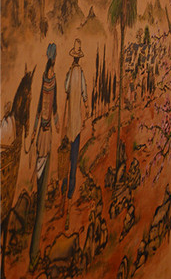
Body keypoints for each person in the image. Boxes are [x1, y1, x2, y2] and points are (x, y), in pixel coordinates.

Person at [29, 42, 59, 267]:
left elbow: (52, 105)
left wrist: (55, 122)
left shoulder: (51, 79)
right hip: (43, 134)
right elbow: (41, 106)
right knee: (41, 174)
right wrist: (33, 132)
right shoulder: (46, 79)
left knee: (43, 172)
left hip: (46, 133)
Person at [63, 39, 89, 227]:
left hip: (70, 122)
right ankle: (70, 190)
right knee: (74, 156)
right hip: (77, 121)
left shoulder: (70, 73)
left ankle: (66, 188)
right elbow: (85, 94)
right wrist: (86, 107)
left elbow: (65, 88)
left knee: (68, 158)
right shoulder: (80, 74)